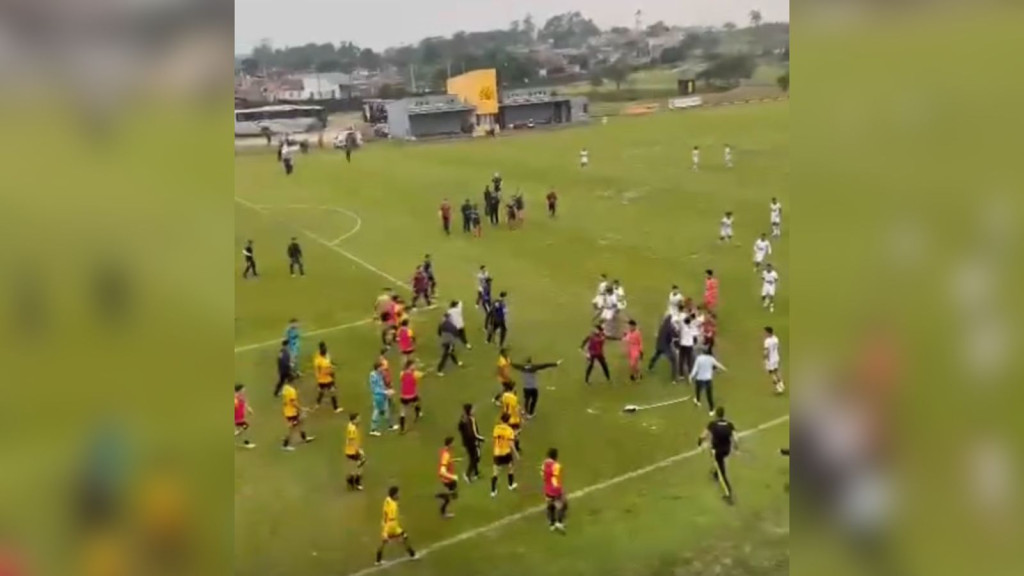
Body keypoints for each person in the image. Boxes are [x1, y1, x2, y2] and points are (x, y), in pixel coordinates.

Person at [698, 407, 738, 504]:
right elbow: (735, 438)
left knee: (722, 473)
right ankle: (716, 472)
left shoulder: (713, 425)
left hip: (717, 451)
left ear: (716, 415)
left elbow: (703, 435)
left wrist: (699, 442)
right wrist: (736, 446)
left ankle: (728, 493)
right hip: (726, 450)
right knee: (718, 462)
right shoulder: (729, 425)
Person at [375, 486, 417, 565]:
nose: (399, 495)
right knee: (401, 538)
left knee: (403, 538)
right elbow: (387, 513)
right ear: (394, 495)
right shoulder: (390, 502)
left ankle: (378, 560)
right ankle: (412, 555)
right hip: (390, 525)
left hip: (391, 524)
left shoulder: (390, 501)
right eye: (397, 493)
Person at [690, 347, 728, 415]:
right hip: (708, 379)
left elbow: (695, 369)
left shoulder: (699, 358)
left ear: (702, 352)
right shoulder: (711, 359)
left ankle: (698, 400)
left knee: (698, 390)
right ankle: (711, 410)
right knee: (709, 395)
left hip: (699, 379)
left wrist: (691, 376)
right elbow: (718, 364)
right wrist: (724, 368)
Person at [490, 413, 519, 497]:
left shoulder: (496, 428)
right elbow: (511, 443)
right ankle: (510, 485)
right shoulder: (509, 430)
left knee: (495, 472)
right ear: (508, 420)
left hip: (497, 452)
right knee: (510, 468)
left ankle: (493, 491)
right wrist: (516, 453)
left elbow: (495, 439)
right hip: (506, 452)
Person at [280, 380, 314, 450]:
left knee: (300, 424)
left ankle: (305, 438)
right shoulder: (292, 391)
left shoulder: (285, 388)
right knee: (292, 429)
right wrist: (301, 409)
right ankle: (285, 445)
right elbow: (293, 402)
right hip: (292, 413)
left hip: (287, 411)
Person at [457, 403, 485, 482]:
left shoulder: (463, 419)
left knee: (473, 456)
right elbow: (473, 433)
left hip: (466, 442)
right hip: (472, 441)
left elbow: (459, 428)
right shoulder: (471, 419)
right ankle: (467, 474)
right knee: (475, 457)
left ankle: (476, 473)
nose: (474, 410)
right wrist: (481, 439)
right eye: (472, 409)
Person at [313, 341, 343, 414]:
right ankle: (336, 408)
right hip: (327, 380)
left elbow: (317, 368)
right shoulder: (325, 362)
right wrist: (333, 375)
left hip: (320, 379)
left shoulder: (317, 359)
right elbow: (329, 372)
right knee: (332, 392)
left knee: (321, 391)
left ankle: (317, 404)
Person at [543, 448, 568, 532]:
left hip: (547, 488)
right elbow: (557, 479)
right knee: (563, 504)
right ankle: (559, 522)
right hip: (555, 489)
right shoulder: (557, 466)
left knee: (550, 506)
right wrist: (561, 490)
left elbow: (543, 475)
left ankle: (552, 524)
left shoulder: (544, 464)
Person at [368, 361, 395, 436]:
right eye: (381, 367)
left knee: (386, 409)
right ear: (378, 368)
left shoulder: (379, 374)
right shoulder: (373, 375)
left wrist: (387, 390)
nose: (383, 368)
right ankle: (373, 429)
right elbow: (374, 389)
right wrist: (385, 392)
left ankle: (390, 425)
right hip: (378, 396)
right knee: (377, 411)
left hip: (382, 395)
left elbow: (381, 384)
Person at [398, 360, 424, 433]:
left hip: (403, 396)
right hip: (412, 396)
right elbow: (422, 375)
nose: (415, 366)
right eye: (413, 365)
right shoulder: (415, 374)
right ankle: (418, 414)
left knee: (402, 412)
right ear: (410, 366)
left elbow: (402, 380)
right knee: (418, 401)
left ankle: (402, 429)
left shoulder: (402, 373)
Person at [436, 437, 460, 518]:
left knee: (453, 493)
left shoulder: (444, 451)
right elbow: (442, 471)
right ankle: (443, 513)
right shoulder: (446, 455)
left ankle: (443, 494)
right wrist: (453, 477)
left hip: (447, 479)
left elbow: (445, 461)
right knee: (448, 498)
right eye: (453, 443)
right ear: (450, 444)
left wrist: (453, 460)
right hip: (447, 479)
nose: (454, 445)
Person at [499, 381, 523, 453]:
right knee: (515, 434)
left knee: (508, 432)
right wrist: (521, 418)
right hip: (513, 418)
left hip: (506, 417)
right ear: (512, 388)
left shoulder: (504, 396)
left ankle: (507, 446)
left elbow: (502, 404)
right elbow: (516, 409)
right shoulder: (513, 398)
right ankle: (515, 447)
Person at [345, 413, 366, 491]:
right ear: (353, 420)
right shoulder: (352, 429)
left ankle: (350, 480)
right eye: (358, 418)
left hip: (349, 450)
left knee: (355, 466)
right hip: (353, 451)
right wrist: (359, 450)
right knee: (360, 465)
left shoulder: (350, 425)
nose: (359, 420)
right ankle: (357, 483)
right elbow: (352, 441)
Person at [676, 316, 699, 382]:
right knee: (689, 360)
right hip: (689, 346)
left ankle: (681, 375)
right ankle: (689, 375)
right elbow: (697, 333)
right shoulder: (692, 328)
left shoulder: (683, 327)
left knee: (681, 359)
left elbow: (679, 323)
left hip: (682, 345)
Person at [763, 326, 784, 393]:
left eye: (765, 332)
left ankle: (778, 388)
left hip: (770, 359)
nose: (764, 333)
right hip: (776, 357)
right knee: (776, 371)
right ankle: (781, 384)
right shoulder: (776, 338)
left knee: (771, 373)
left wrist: (765, 358)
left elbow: (766, 351)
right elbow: (777, 348)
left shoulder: (767, 341)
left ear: (768, 332)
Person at [234, 383, 255, 449]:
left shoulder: (241, 396)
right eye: (243, 389)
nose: (244, 390)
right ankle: (247, 443)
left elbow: (244, 403)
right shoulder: (235, 398)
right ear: (239, 390)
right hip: (237, 417)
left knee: (242, 427)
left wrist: (249, 409)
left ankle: (237, 431)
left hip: (241, 416)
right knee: (246, 427)